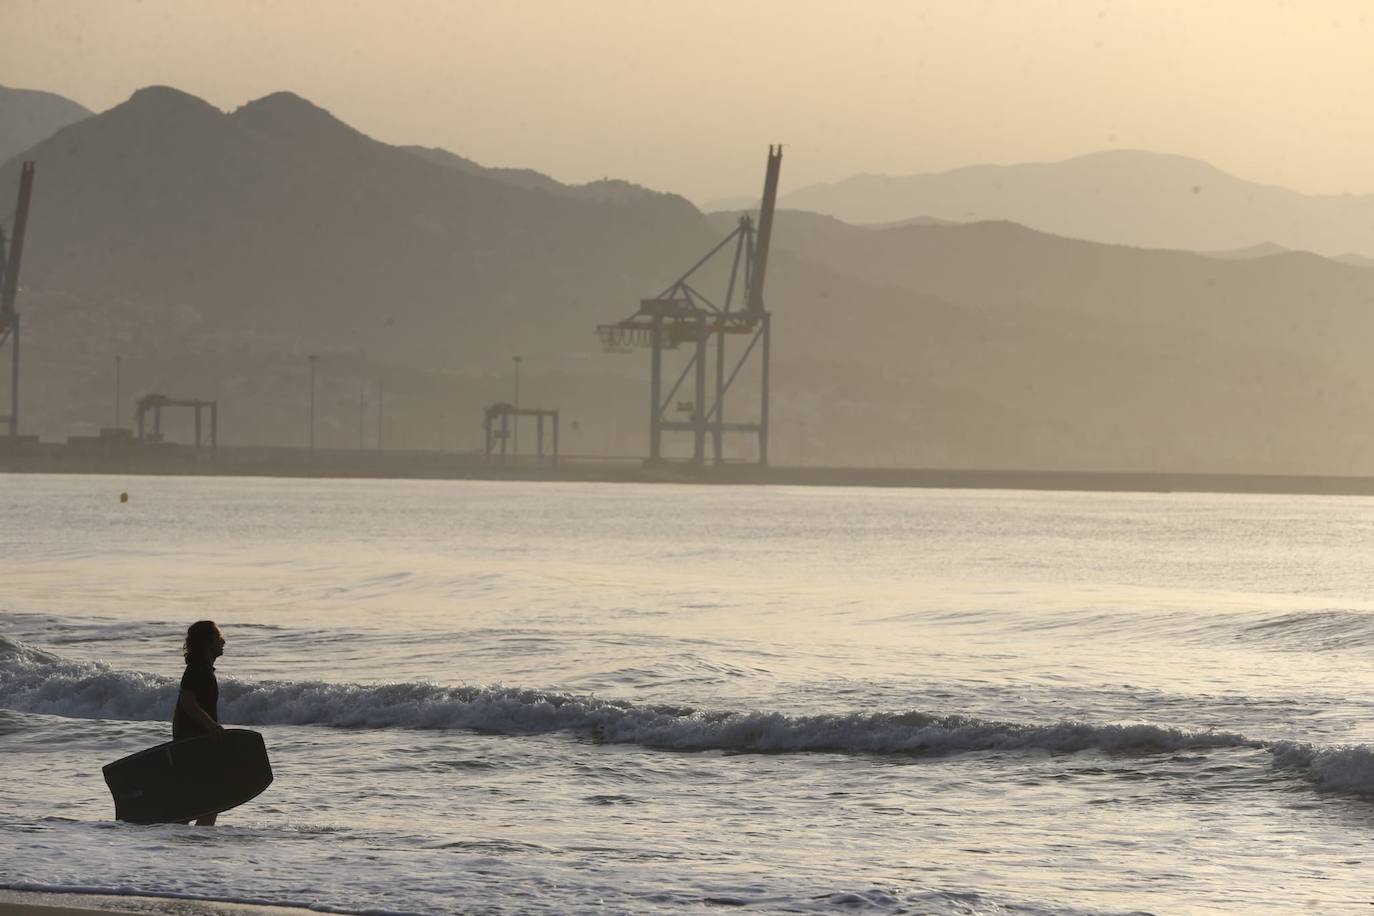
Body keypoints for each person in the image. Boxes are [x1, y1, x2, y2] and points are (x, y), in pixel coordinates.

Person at [173, 619, 226, 826]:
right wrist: (211, 726)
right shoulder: (197, 670)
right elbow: (187, 702)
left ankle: (191, 838)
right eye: (218, 636)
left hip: (195, 742)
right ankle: (198, 840)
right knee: (210, 799)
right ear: (208, 641)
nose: (223, 641)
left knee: (203, 799)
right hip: (193, 743)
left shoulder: (202, 669)